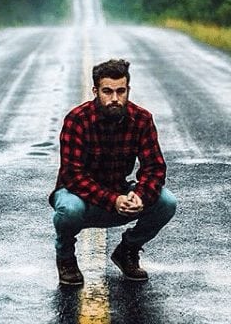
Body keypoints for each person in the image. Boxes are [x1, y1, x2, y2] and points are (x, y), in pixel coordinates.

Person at [49, 58, 177, 285]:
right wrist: (113, 200)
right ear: (95, 91)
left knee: (166, 202)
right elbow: (73, 176)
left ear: (128, 90)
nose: (115, 99)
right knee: (69, 209)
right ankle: (66, 258)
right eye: (107, 91)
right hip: (80, 197)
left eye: (121, 91)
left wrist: (139, 195)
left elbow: (155, 167)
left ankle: (127, 250)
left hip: (119, 192)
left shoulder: (142, 119)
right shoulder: (77, 120)